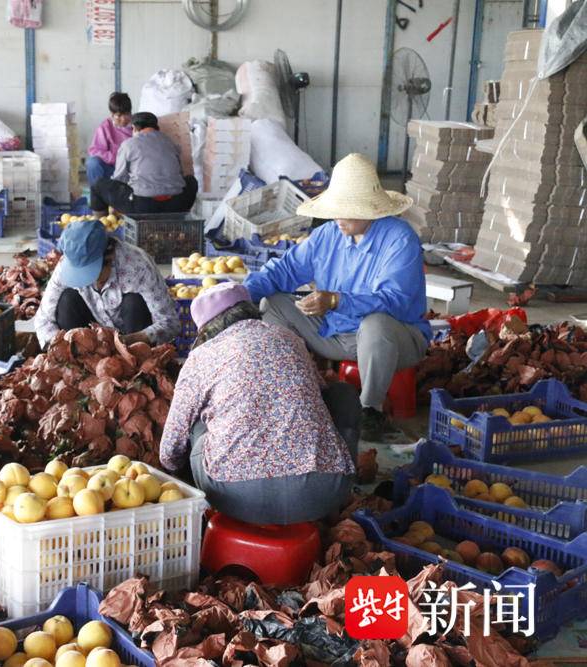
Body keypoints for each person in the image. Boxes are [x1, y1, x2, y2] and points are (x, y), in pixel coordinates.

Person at [243, 153, 431, 441]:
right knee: (274, 303)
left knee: (376, 323)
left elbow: (395, 301)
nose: (338, 218)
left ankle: (371, 410)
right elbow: (282, 271)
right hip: (335, 333)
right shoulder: (327, 235)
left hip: (394, 340)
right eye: (336, 209)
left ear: (370, 209)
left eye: (347, 210)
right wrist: (239, 295)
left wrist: (336, 300)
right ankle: (290, 389)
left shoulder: (400, 239)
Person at [159, 282, 359, 525]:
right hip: (323, 493)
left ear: (205, 330)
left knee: (196, 424)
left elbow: (169, 452)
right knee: (342, 394)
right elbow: (321, 391)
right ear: (249, 309)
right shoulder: (289, 338)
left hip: (235, 498)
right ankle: (333, 492)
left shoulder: (200, 357)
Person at [33, 219, 180, 348]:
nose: (89, 282)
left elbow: (169, 322)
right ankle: (78, 366)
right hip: (87, 336)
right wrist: (65, 345)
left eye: (91, 273)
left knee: (134, 302)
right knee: (67, 299)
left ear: (109, 256)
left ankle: (136, 368)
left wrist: (130, 340)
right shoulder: (65, 267)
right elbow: (43, 319)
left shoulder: (137, 266)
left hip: (130, 333)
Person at [89, 112, 198, 216]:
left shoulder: (128, 144)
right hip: (176, 205)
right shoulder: (170, 143)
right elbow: (180, 175)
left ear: (134, 128)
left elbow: (119, 179)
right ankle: (178, 220)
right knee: (191, 181)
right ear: (156, 128)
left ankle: (103, 226)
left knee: (97, 186)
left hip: (143, 207)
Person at [86, 92, 133, 186]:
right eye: (119, 115)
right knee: (92, 163)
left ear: (131, 113)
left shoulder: (137, 125)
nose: (123, 119)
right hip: (113, 169)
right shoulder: (105, 127)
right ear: (112, 115)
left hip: (131, 170)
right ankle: (98, 196)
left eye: (126, 114)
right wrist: (115, 158)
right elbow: (95, 150)